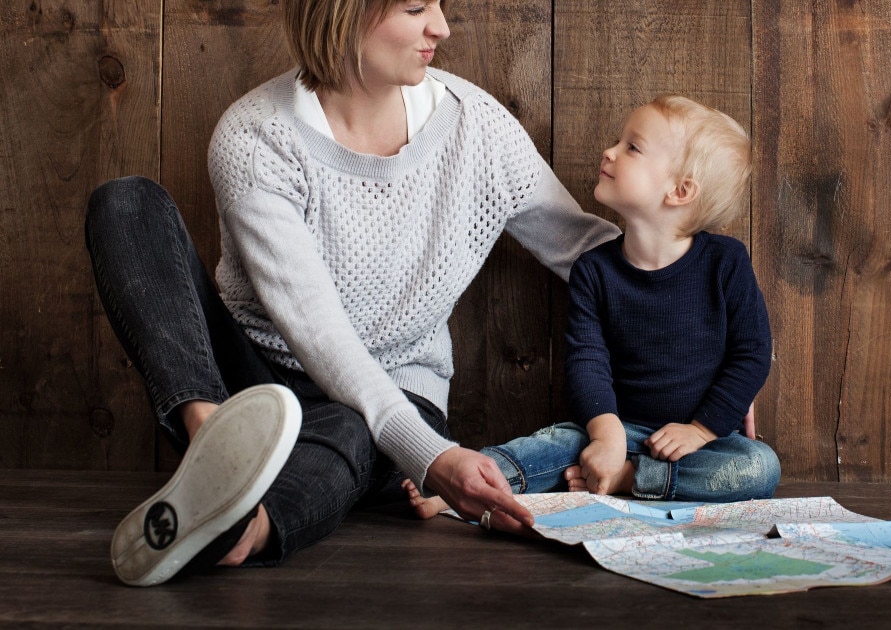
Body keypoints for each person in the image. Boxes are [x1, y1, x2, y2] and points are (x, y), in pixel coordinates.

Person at [86, 0, 620, 586]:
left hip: (397, 396)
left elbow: (584, 249)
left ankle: (244, 528)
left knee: (349, 426)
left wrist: (727, 340)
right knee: (125, 203)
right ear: (341, 13)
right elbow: (314, 327)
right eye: (416, 7)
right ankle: (212, 442)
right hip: (251, 382)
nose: (441, 26)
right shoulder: (254, 137)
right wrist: (438, 460)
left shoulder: (478, 128)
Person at [409, 95, 779, 518]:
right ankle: (463, 485)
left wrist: (702, 429)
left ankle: (628, 479)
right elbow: (587, 360)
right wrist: (606, 436)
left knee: (758, 467)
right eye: (619, 141)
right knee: (551, 445)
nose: (610, 151)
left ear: (680, 191)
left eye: (632, 148)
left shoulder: (726, 262)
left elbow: (751, 353)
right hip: (616, 426)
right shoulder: (595, 270)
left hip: (700, 443)